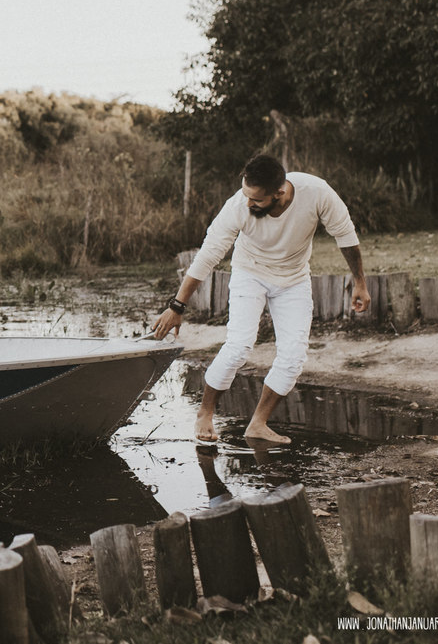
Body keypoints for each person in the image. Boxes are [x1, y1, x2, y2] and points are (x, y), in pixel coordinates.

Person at [152, 154, 370, 444]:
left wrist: (359, 282)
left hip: (293, 280)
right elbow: (208, 255)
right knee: (238, 346)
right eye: (245, 194)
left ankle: (258, 423)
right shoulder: (237, 207)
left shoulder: (317, 193)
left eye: (255, 199)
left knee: (293, 357)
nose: (248, 203)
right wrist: (177, 306)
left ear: (279, 193)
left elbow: (345, 235)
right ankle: (205, 413)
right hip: (249, 273)